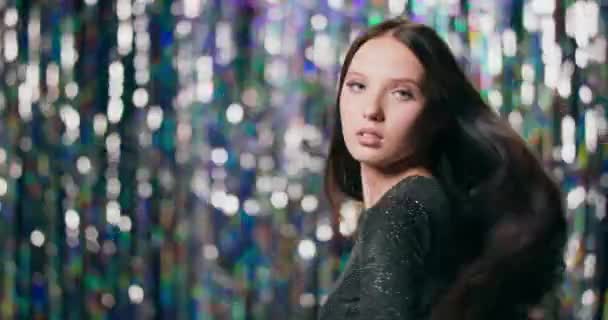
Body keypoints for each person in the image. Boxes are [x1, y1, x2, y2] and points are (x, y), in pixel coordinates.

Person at [318, 17, 567, 320]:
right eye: (357, 85)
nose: (371, 110)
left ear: (436, 114)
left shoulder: (401, 211)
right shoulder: (425, 200)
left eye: (402, 93)